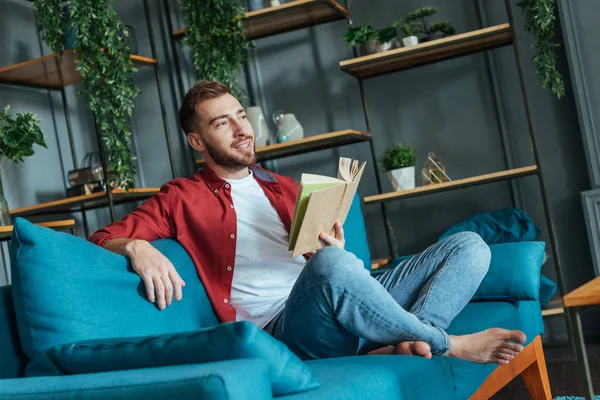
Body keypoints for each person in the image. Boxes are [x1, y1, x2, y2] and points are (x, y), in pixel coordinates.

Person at [89, 80, 526, 364]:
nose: (243, 129)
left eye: (242, 115)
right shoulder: (181, 197)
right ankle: (447, 343)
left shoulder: (283, 187)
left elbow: (334, 269)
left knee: (470, 246)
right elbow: (102, 237)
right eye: (224, 123)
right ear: (197, 140)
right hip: (288, 329)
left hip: (340, 304)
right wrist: (136, 246)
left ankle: (410, 341)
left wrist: (333, 251)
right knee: (332, 268)